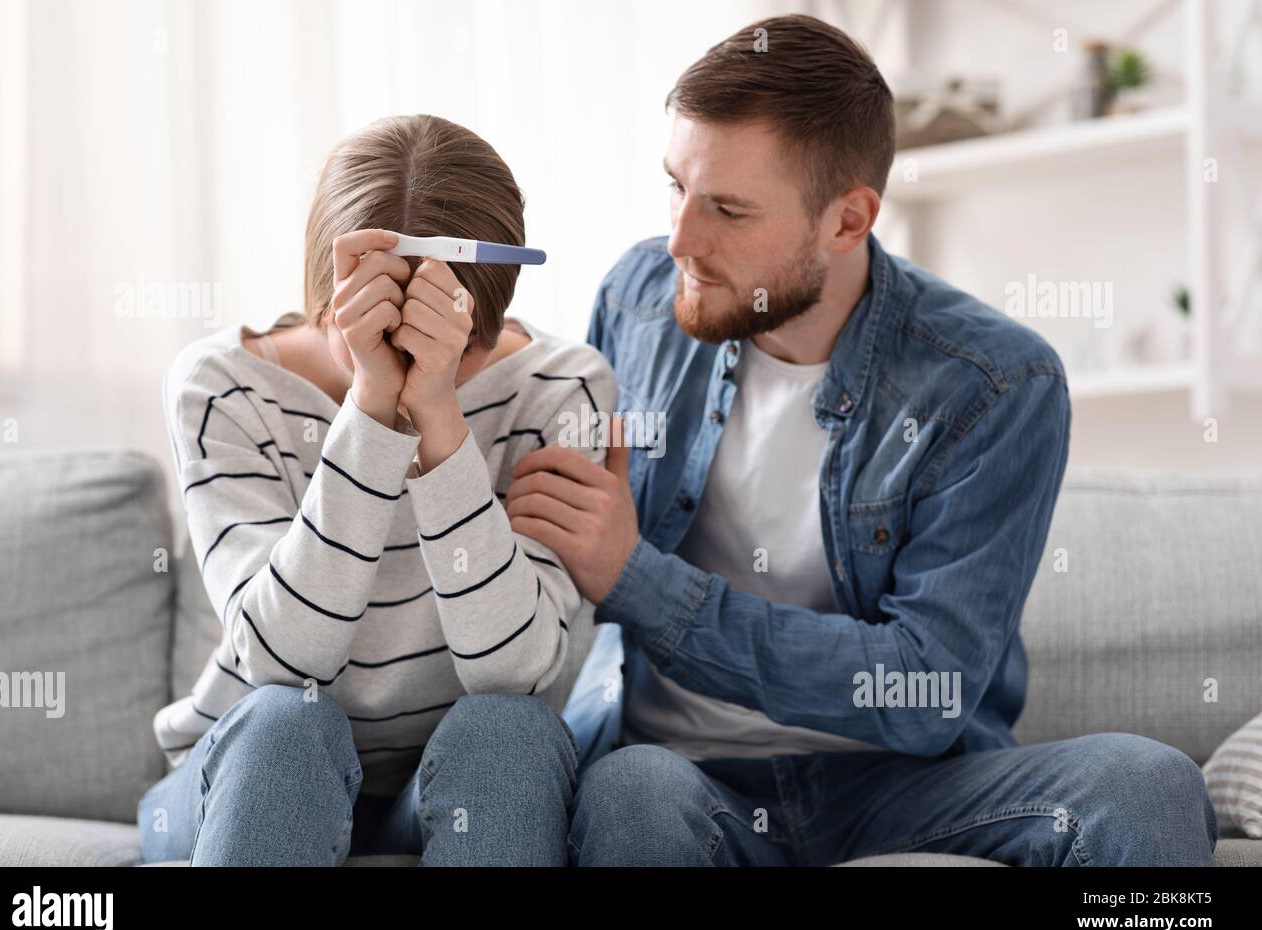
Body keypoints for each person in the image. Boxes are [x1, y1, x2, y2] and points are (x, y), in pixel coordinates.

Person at [506, 15, 1218, 866]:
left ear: (848, 221)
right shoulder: (635, 298)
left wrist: (642, 584)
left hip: (904, 787)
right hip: (683, 779)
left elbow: (929, 687)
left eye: (728, 209)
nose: (681, 242)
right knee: (634, 793)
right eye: (676, 187)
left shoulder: (995, 384)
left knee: (1147, 783)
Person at [138, 114, 614, 866]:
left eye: (451, 352)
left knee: (509, 734)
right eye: (372, 336)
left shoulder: (561, 388)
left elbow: (515, 674)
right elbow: (278, 662)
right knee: (287, 726)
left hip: (445, 785)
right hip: (242, 770)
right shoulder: (223, 386)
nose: (412, 363)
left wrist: (439, 419)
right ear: (327, 298)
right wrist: (370, 409)